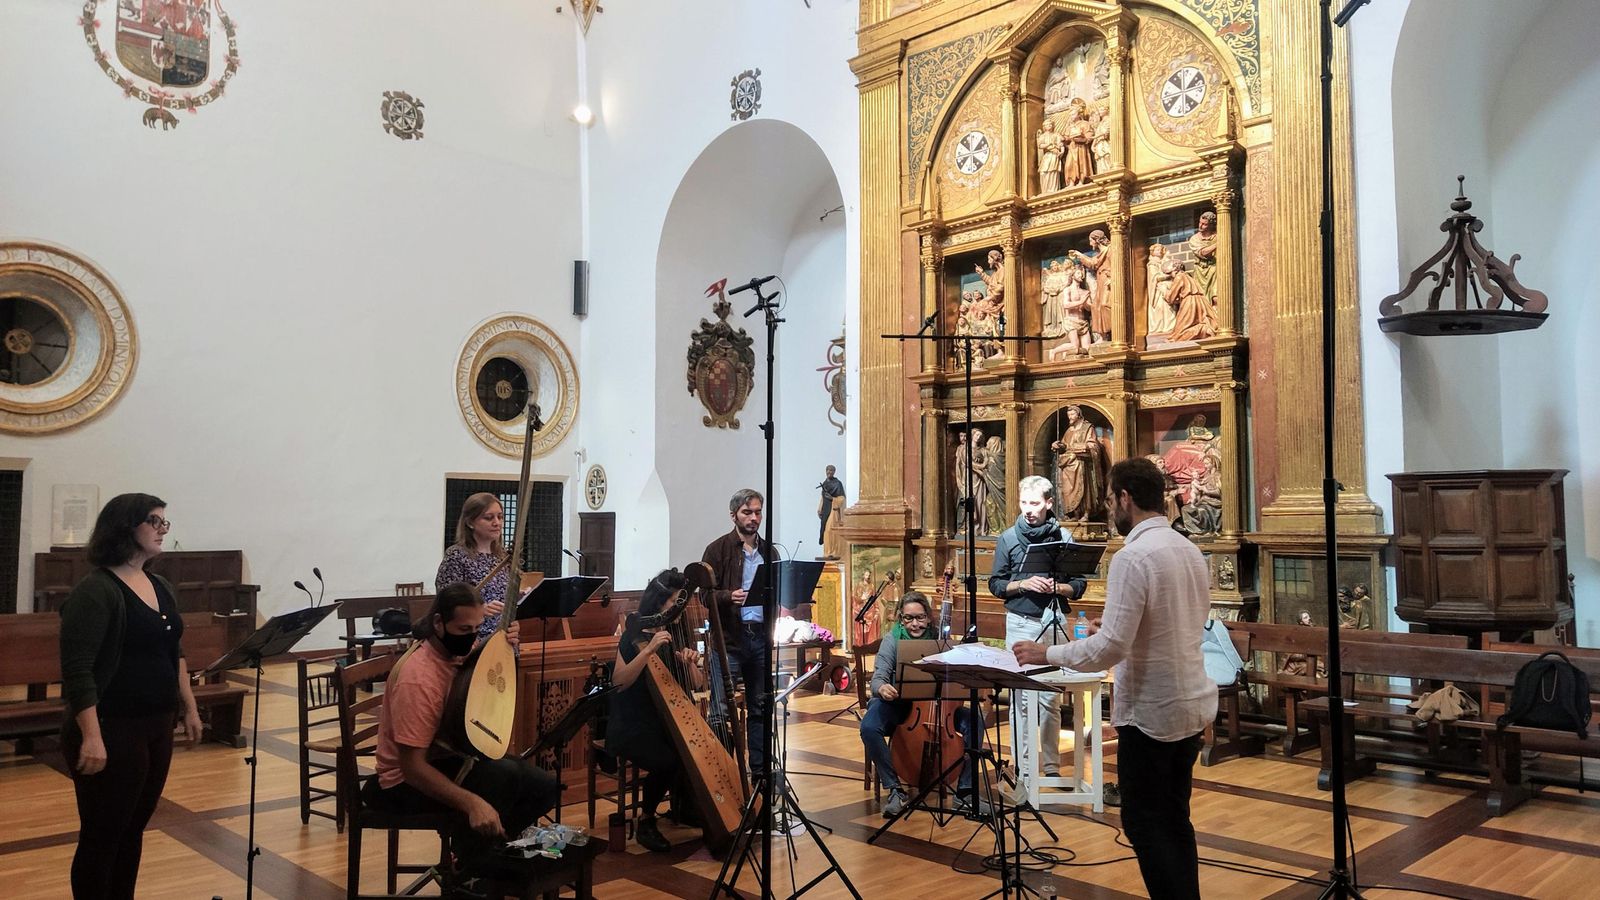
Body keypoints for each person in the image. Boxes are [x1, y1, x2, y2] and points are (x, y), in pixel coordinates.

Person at [1014, 458, 1218, 900]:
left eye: (1109, 500)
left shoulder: (1134, 556)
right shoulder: (1189, 550)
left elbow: (1111, 648)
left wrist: (1044, 653)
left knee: (1144, 823)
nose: (1108, 508)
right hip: (1191, 706)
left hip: (1152, 712)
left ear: (1126, 497)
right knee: (1174, 819)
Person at [59, 493, 202, 900]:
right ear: (126, 527)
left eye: (164, 523)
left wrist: (189, 706)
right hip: (112, 726)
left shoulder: (160, 586)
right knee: (103, 835)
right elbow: (77, 671)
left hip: (157, 724)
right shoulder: (96, 591)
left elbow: (174, 650)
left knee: (133, 829)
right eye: (154, 521)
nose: (162, 530)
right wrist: (90, 734)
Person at [364, 584, 560, 877]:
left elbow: (469, 667)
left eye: (478, 627)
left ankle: (484, 860)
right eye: (464, 628)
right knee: (501, 778)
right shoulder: (418, 679)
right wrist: (473, 804)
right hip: (402, 782)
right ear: (438, 623)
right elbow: (412, 767)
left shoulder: (451, 650)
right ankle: (469, 872)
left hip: (447, 755)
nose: (471, 636)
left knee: (543, 786)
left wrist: (500, 646)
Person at [989, 475, 1086, 797]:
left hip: (1053, 620)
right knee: (1022, 698)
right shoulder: (1008, 538)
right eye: (1023, 503)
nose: (1028, 510)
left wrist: (1058, 587)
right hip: (1021, 621)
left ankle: (1051, 765)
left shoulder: (1064, 536)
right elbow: (997, 584)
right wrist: (1025, 583)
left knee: (1049, 697)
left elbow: (1079, 586)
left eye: (1034, 504)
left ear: (1048, 504)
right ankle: (1023, 764)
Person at [607, 569, 705, 852]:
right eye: (674, 602)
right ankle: (646, 822)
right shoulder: (633, 637)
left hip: (663, 723)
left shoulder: (677, 634)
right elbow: (620, 682)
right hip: (631, 725)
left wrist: (689, 664)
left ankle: (684, 808)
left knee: (690, 749)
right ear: (659, 604)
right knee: (670, 760)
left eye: (680, 604)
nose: (678, 609)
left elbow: (696, 684)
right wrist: (648, 650)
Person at [858, 593, 980, 818]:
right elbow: (878, 678)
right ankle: (895, 789)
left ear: (929, 618)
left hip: (938, 705)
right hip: (898, 704)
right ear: (900, 619)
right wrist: (883, 688)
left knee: (975, 721)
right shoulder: (892, 640)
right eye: (908, 618)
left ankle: (965, 791)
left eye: (920, 618)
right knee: (869, 727)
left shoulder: (940, 640)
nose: (915, 624)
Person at [701, 488, 777, 776]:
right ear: (734, 515)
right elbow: (702, 596)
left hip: (759, 637)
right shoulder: (718, 549)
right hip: (729, 640)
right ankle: (721, 775)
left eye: (758, 512)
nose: (754, 518)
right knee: (721, 711)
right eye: (747, 512)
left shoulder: (770, 551)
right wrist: (725, 597)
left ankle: (759, 772)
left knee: (760, 706)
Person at [436, 492, 511, 642]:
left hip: (504, 639)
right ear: (470, 522)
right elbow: (446, 602)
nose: (497, 522)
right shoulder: (457, 555)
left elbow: (502, 597)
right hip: (473, 641)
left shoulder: (502, 557)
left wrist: (518, 597)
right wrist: (480, 610)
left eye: (500, 517)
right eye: (489, 518)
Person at [817, 465, 845, 544]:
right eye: (828, 470)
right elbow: (823, 497)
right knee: (824, 529)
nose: (829, 472)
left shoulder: (838, 483)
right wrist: (819, 508)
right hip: (825, 509)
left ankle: (832, 552)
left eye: (832, 470)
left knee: (830, 531)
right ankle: (826, 550)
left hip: (833, 510)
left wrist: (832, 498)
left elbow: (842, 499)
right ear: (826, 471)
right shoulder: (825, 483)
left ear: (834, 472)